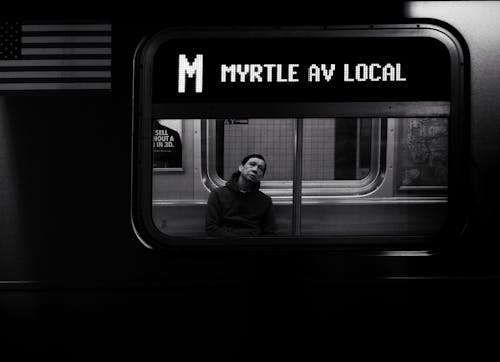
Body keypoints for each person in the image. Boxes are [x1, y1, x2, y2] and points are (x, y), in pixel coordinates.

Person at [205, 154, 276, 237]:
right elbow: (211, 228)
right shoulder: (218, 194)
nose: (255, 170)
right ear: (241, 168)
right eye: (252, 164)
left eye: (260, 168)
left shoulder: (265, 201)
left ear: (261, 176)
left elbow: (270, 233)